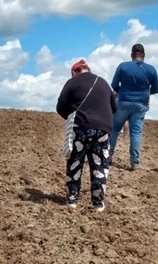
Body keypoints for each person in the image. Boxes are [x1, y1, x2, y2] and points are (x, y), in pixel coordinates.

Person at [56, 59, 116, 212]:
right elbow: (113, 108)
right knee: (99, 164)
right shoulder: (103, 82)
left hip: (80, 127)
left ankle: (72, 200)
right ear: (88, 69)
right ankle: (98, 203)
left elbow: (60, 106)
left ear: (74, 72)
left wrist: (72, 118)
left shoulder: (72, 82)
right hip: (103, 129)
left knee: (75, 161)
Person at [110, 43, 158, 171]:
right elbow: (155, 89)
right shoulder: (151, 69)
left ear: (132, 54)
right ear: (143, 55)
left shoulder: (122, 66)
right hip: (140, 104)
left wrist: (123, 90)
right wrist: (144, 91)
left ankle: (108, 156)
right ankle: (135, 163)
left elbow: (114, 85)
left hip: (123, 101)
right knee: (135, 133)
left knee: (115, 128)